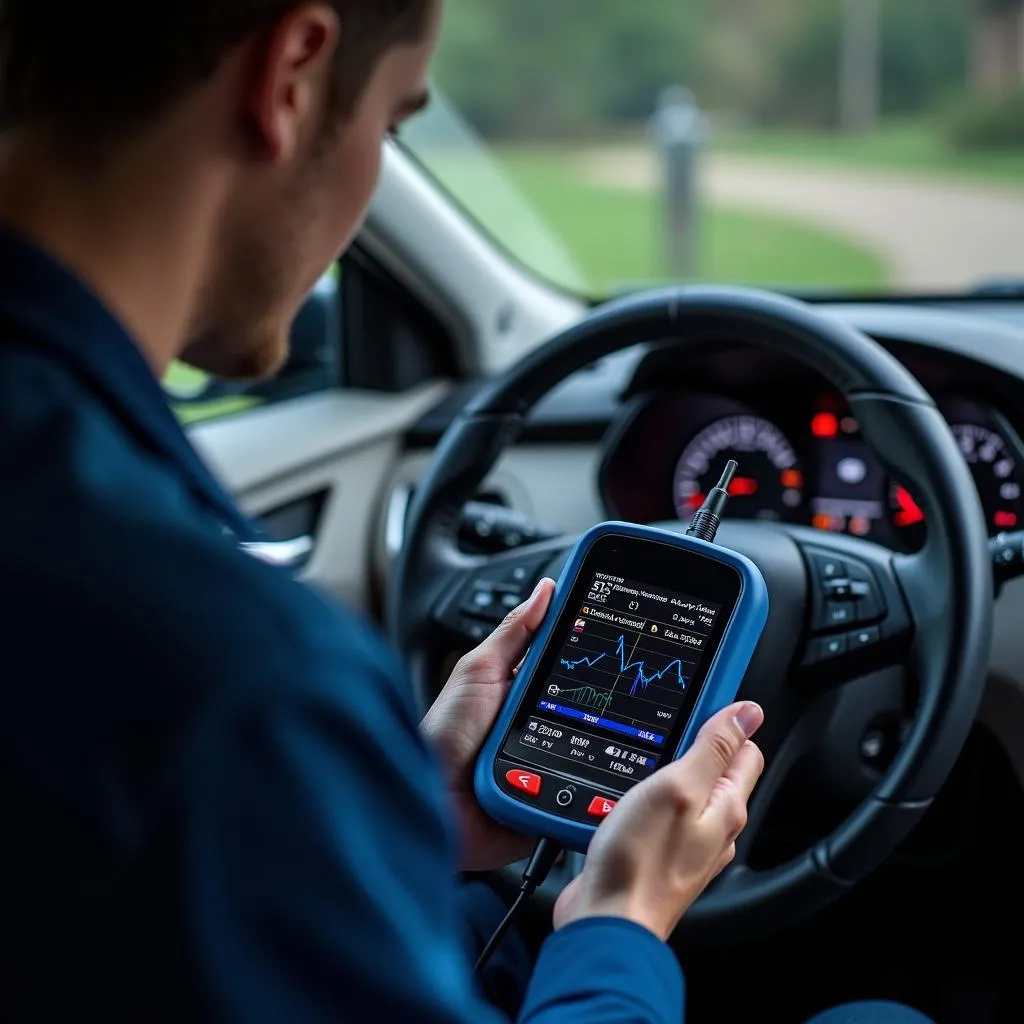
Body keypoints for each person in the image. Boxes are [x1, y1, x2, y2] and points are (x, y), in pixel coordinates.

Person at [0, 2, 935, 1022]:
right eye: (392, 126)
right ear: (292, 75)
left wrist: (406, 812)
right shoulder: (247, 688)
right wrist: (618, 921)